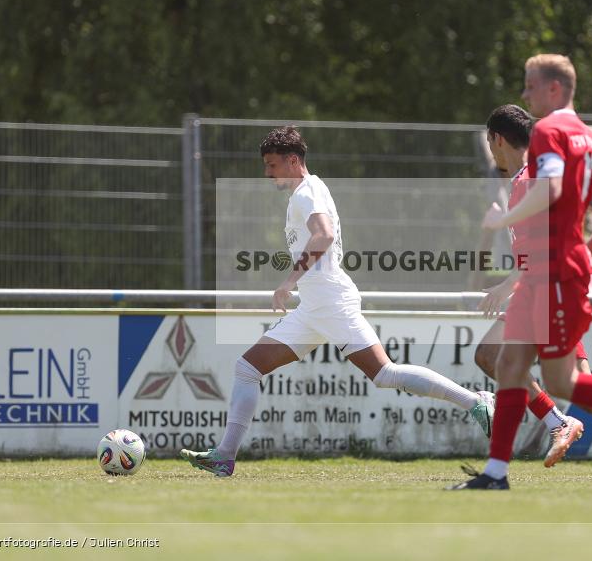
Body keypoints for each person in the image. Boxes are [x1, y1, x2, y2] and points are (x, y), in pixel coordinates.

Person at [181, 126, 495, 477]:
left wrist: (288, 281)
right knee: (247, 368)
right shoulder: (306, 190)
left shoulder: (306, 193)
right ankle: (224, 456)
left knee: (384, 373)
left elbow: (324, 235)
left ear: (292, 160)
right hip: (313, 308)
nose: (267, 173)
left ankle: (476, 401)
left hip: (330, 302)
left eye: (271, 165)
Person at [451, 56, 592, 490]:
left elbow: (551, 192)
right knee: (508, 362)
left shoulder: (548, 137)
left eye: (531, 85)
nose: (526, 94)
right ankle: (497, 473)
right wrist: (586, 253)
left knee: (562, 380)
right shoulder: (590, 139)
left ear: (554, 89)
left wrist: (503, 222)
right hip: (556, 274)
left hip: (553, 279)